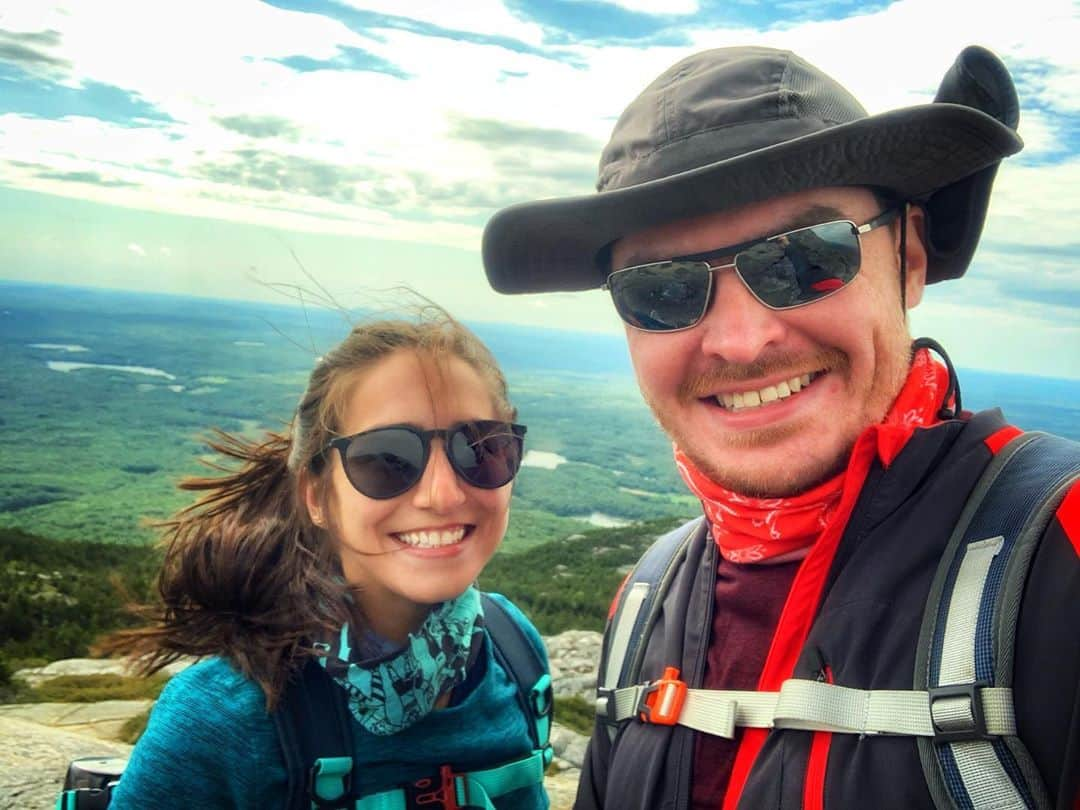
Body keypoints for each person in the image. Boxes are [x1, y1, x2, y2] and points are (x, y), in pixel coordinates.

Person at [482, 44, 1079, 809]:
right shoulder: (644, 601)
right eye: (661, 290)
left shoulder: (1063, 552)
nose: (741, 340)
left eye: (804, 257)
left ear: (912, 258)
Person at [97, 310, 550, 809]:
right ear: (316, 496)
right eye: (386, 458)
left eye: (481, 448)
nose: (442, 494)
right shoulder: (226, 717)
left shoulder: (515, 650)